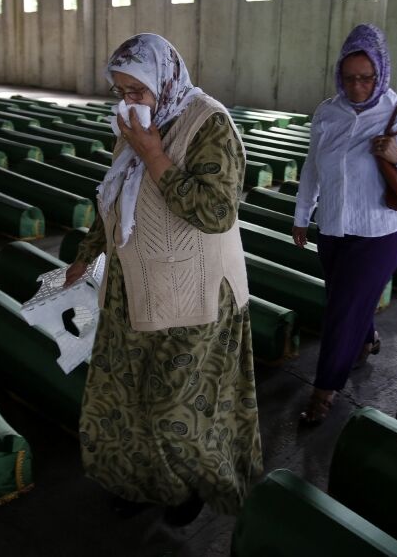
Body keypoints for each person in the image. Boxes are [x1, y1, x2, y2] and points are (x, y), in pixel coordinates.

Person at [65, 33, 263, 526]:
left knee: (177, 409)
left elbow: (216, 212)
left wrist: (154, 155)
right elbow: (113, 195)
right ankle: (137, 482)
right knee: (124, 398)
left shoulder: (209, 123)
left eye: (137, 91)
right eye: (121, 92)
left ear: (164, 78)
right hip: (135, 286)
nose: (128, 103)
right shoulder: (136, 124)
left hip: (193, 294)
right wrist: (87, 253)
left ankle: (185, 488)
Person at [292, 23, 397, 424]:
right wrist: (302, 215)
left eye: (366, 77)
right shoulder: (328, 112)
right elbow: (313, 167)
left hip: (382, 231)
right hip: (334, 229)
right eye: (349, 78)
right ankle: (367, 338)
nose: (358, 86)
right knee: (347, 299)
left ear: (381, 73)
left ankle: (324, 390)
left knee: (341, 310)